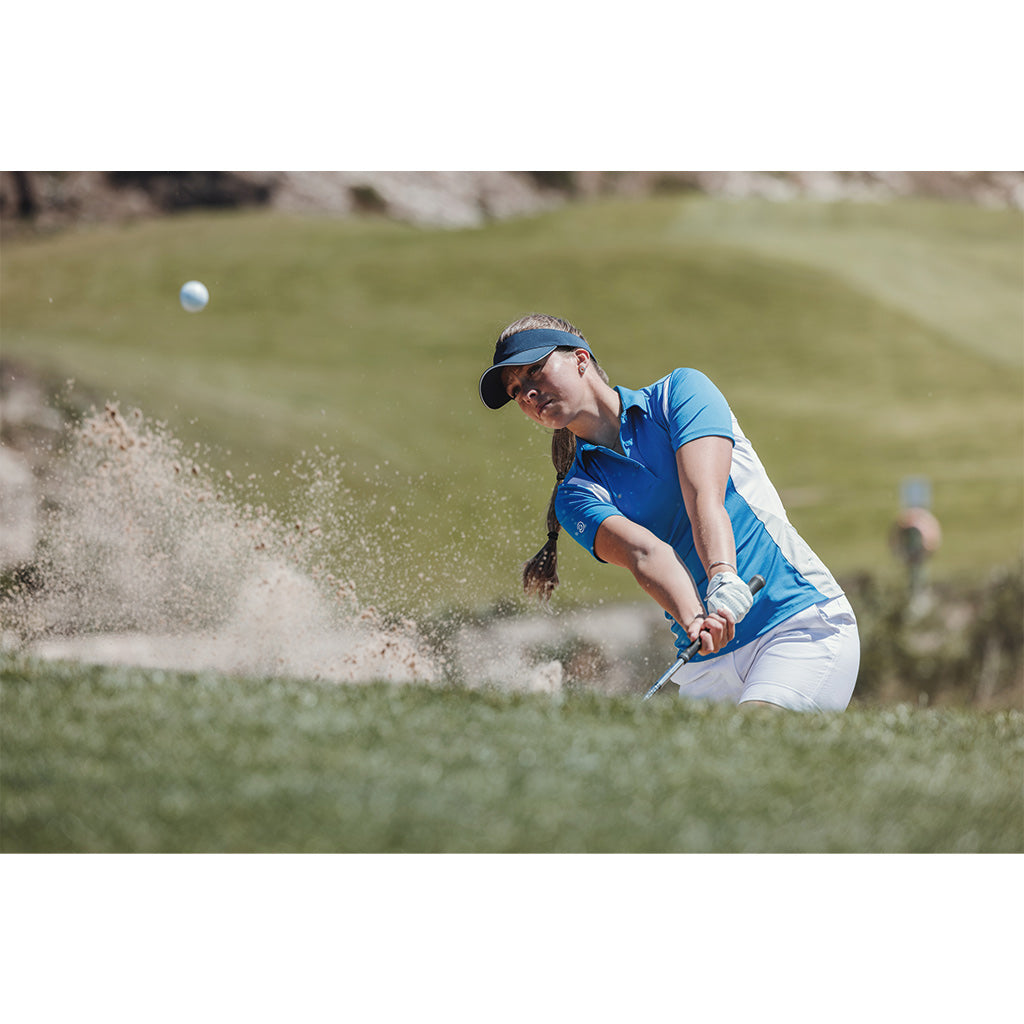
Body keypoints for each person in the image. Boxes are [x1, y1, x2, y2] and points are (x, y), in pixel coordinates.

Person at [478, 313, 860, 711]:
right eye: (517, 389)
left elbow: (703, 497)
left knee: (753, 737)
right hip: (706, 659)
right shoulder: (575, 494)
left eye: (536, 370)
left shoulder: (679, 394)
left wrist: (723, 577)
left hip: (796, 621)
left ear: (580, 359)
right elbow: (647, 554)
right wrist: (696, 620)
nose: (528, 394)